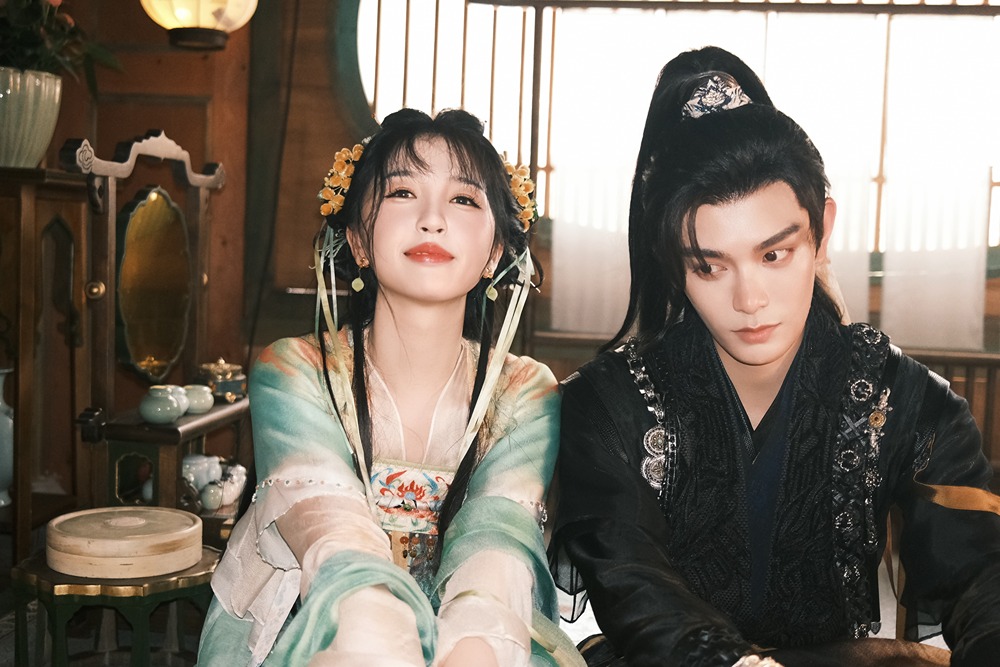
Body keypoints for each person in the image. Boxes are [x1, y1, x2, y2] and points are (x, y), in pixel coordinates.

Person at [548, 47, 1000, 667]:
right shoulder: (607, 403)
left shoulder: (910, 402)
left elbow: (981, 575)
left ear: (821, 232)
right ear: (672, 262)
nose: (749, 300)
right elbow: (633, 580)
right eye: (709, 266)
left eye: (774, 255)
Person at [198, 108, 584, 666]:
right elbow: (331, 532)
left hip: (476, 618)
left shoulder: (523, 391)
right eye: (403, 192)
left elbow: (497, 541)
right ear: (358, 239)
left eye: (463, 199)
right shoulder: (297, 370)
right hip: (325, 613)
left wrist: (472, 650)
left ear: (496, 253)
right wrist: (375, 629)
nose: (432, 220)